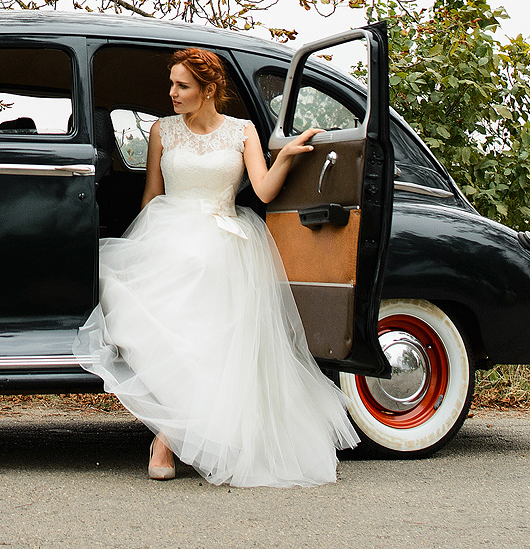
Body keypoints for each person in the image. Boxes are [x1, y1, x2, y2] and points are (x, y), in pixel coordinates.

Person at [75, 47, 358, 487]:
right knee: (149, 296)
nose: (172, 93)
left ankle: (167, 439)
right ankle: (171, 432)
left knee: (213, 306)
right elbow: (152, 195)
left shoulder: (242, 132)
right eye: (171, 83)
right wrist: (146, 245)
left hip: (225, 236)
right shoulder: (162, 131)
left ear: (209, 90)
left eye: (182, 86)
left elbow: (262, 192)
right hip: (168, 229)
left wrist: (284, 156)